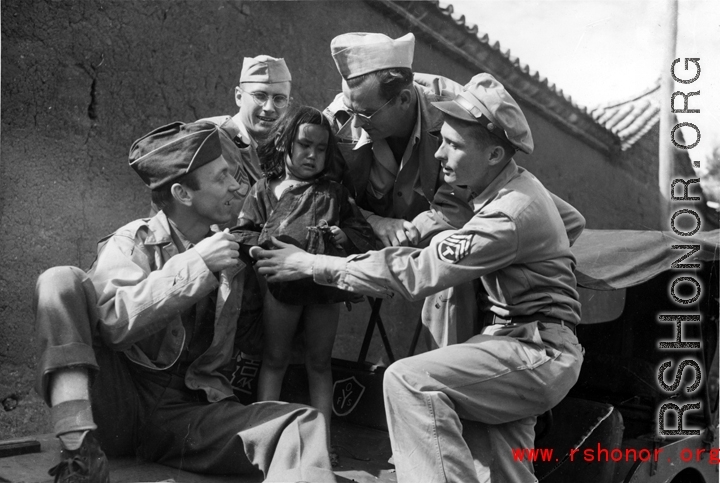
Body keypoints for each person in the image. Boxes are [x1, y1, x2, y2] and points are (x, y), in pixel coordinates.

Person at [254, 73, 585, 482]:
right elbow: (574, 220)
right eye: (441, 139)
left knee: (409, 381)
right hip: (515, 346)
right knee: (503, 473)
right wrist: (531, 262)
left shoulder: (508, 214)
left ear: (496, 155)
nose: (439, 155)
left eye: (454, 145)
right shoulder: (519, 188)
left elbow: (416, 273)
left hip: (532, 352)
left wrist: (309, 264)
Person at [34, 120, 337, 483]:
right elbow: (114, 325)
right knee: (59, 280)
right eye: (222, 177)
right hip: (116, 407)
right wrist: (196, 266)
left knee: (300, 425)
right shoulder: (133, 242)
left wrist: (306, 266)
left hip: (186, 416)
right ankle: (78, 452)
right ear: (183, 194)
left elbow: (258, 341)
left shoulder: (231, 251)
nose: (236, 186)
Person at [325, 32, 585, 348]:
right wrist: (374, 222)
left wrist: (419, 231)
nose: (354, 121)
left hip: (442, 222)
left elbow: (469, 199)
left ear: (404, 99)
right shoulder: (341, 115)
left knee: (557, 220)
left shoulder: (454, 109)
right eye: (350, 108)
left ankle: (447, 375)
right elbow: (322, 190)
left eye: (364, 114)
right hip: (368, 224)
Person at [235, 105, 376, 464]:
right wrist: (258, 250)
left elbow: (363, 236)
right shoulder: (264, 190)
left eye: (321, 148)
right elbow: (243, 232)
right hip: (280, 288)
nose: (312, 155)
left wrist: (342, 235)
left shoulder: (334, 194)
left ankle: (321, 444)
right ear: (286, 144)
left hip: (322, 290)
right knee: (275, 359)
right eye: (304, 145)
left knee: (319, 363)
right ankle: (263, 438)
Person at [200, 54, 293, 221]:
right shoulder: (212, 138)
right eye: (260, 96)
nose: (269, 108)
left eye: (279, 99)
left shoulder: (287, 146)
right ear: (238, 96)